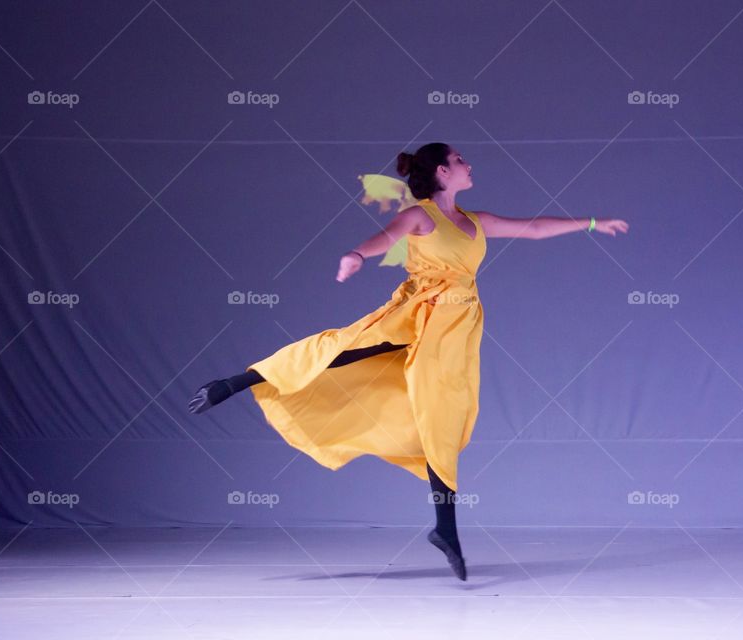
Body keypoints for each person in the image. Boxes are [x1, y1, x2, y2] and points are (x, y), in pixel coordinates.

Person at [188, 142, 629, 581]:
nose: (468, 164)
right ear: (442, 172)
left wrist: (592, 222)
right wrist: (357, 255)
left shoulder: (476, 221)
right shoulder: (422, 215)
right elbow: (386, 238)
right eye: (459, 160)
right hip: (418, 312)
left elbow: (533, 229)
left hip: (456, 328)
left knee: (442, 413)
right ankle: (236, 382)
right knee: (342, 349)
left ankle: (445, 529)